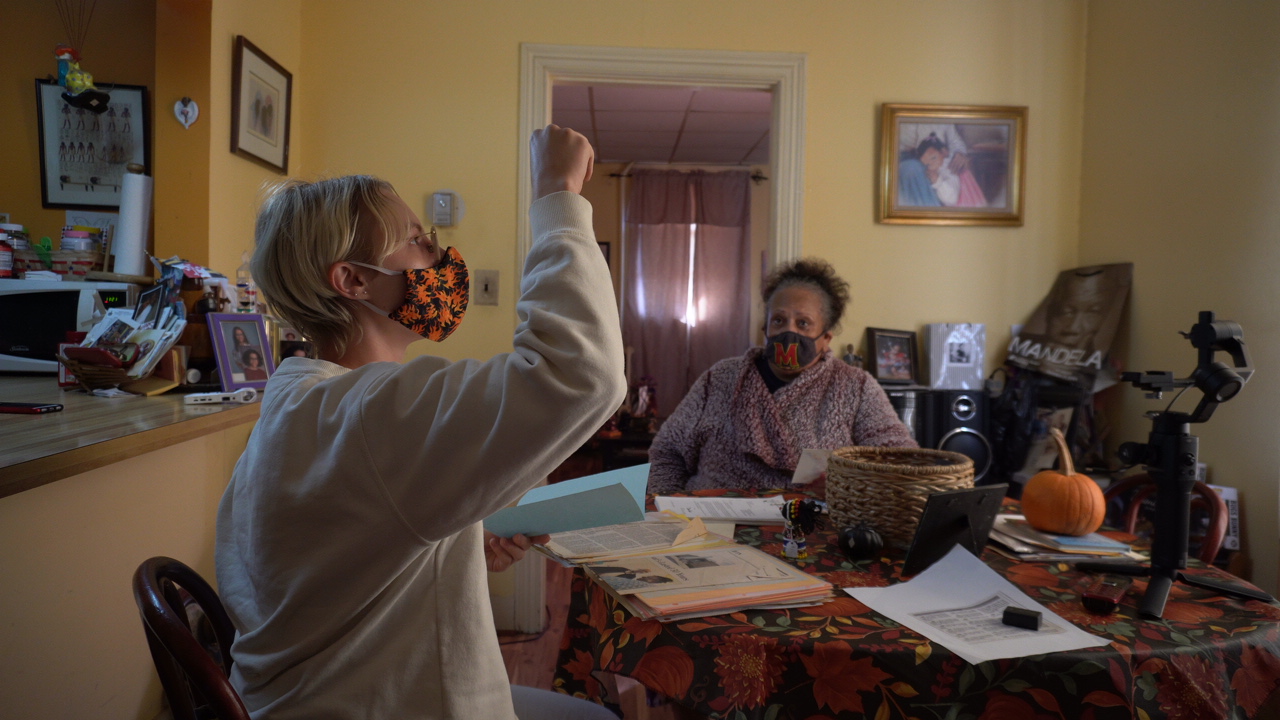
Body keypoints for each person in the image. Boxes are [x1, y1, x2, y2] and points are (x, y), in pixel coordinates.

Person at [215, 125, 625, 720]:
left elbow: (338, 559)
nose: (442, 257)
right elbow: (579, 373)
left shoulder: (300, 404)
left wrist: (457, 542)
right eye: (418, 242)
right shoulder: (365, 414)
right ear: (353, 280)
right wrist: (557, 195)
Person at [647, 258, 916, 495]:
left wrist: (847, 486)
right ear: (765, 328)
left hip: (807, 529)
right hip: (710, 523)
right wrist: (667, 509)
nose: (789, 332)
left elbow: (899, 462)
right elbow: (668, 452)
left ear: (825, 338)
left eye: (803, 323)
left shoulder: (856, 388)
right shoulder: (720, 378)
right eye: (779, 320)